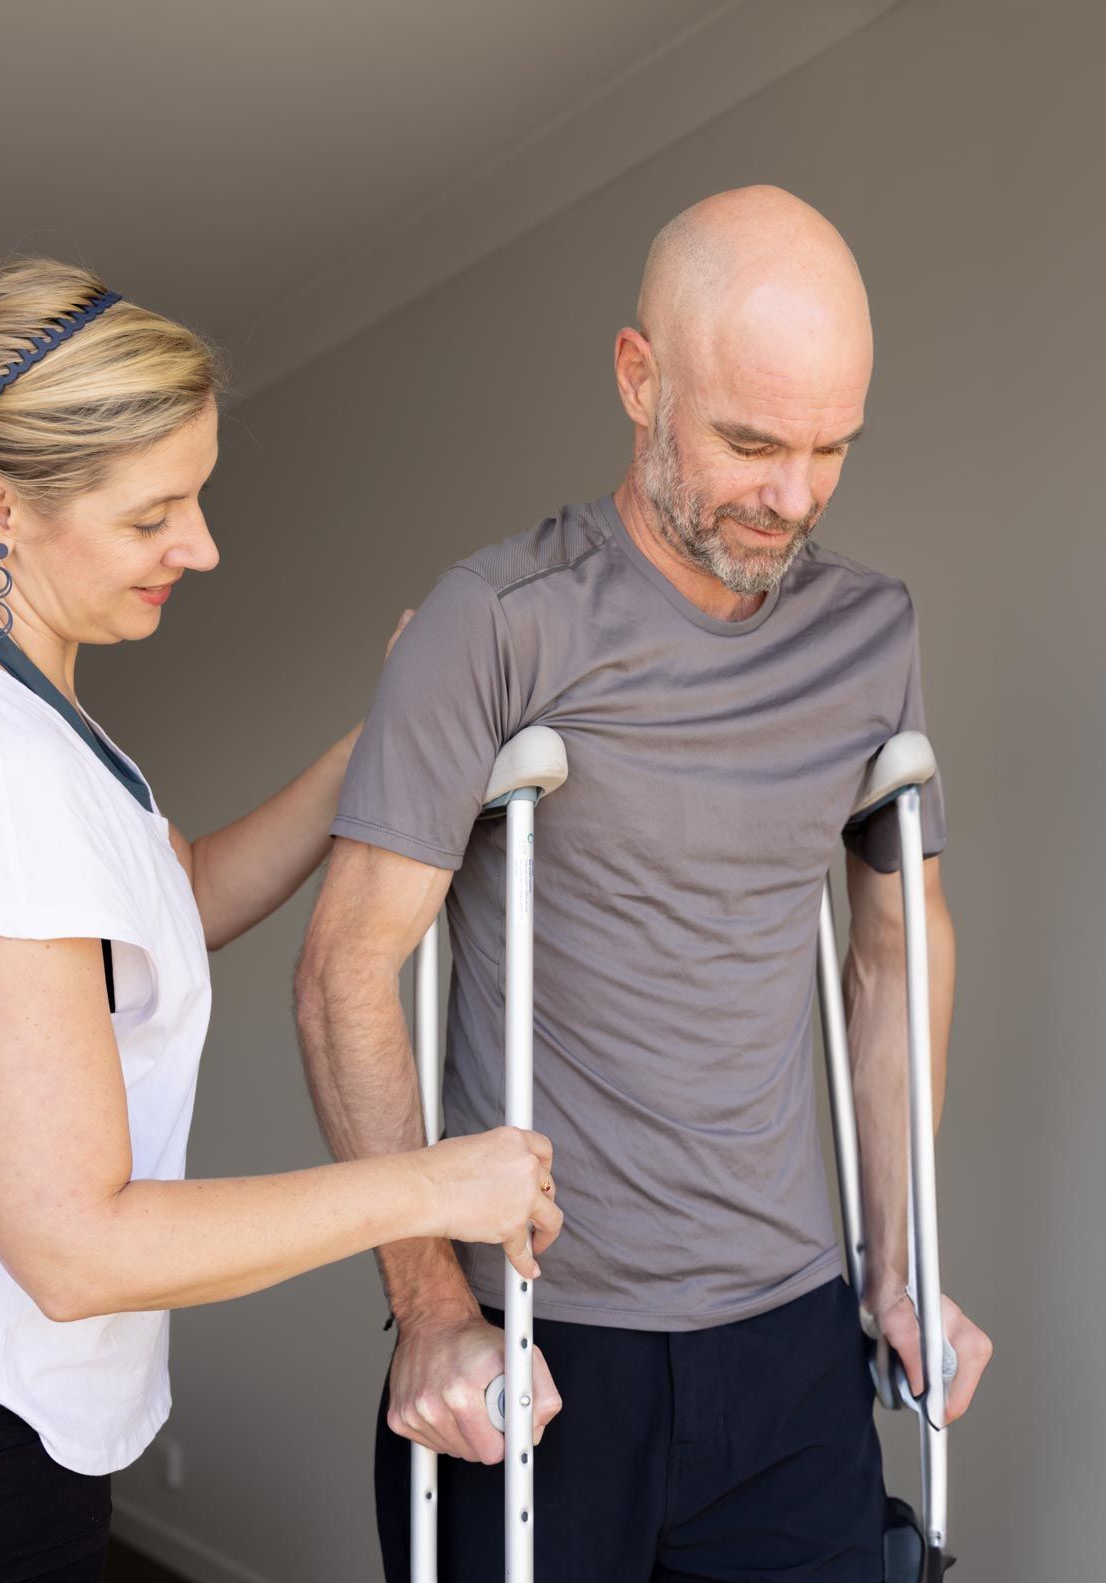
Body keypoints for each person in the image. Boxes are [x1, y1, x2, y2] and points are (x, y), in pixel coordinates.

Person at [0, 257, 563, 1583]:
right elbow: (74, 1243)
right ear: (0, 512)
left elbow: (168, 901)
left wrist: (382, 740)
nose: (200, 545)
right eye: (156, 514)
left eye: (197, 496)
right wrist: (436, 1184)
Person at [296, 187, 994, 1581]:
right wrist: (430, 1304)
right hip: (544, 1345)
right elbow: (346, 971)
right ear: (640, 378)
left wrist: (898, 1262)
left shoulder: (870, 634)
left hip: (793, 1346)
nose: (791, 495)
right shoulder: (494, 623)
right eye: (749, 442)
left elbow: (891, 947)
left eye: (829, 450)